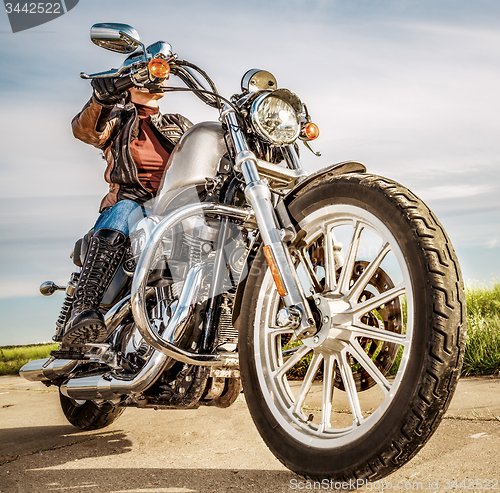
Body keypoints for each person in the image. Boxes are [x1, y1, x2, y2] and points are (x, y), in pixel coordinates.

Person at [61, 72, 192, 346]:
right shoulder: (116, 120)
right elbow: (86, 131)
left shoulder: (178, 124)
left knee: (220, 228)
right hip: (130, 203)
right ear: (131, 81)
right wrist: (102, 99)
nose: (162, 76)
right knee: (126, 209)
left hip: (171, 208)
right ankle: (84, 308)